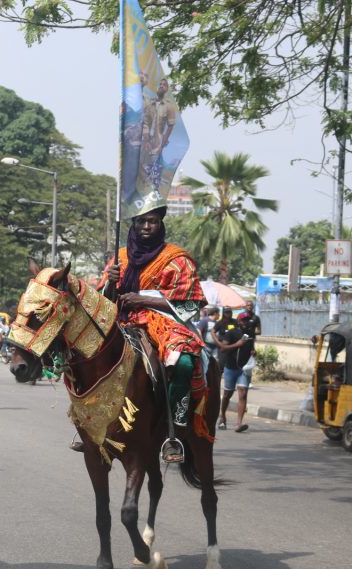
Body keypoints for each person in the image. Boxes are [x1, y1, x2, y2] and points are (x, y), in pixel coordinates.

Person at [100, 205, 209, 462]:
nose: (147, 227)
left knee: (182, 363)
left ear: (161, 224)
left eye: (152, 222)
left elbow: (191, 303)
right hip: (121, 321)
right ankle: (93, 425)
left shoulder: (177, 259)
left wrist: (143, 299)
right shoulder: (119, 258)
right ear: (133, 225)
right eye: (141, 222)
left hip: (161, 323)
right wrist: (110, 283)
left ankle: (177, 429)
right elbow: (102, 301)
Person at [138, 78, 178, 198]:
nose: (161, 86)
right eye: (159, 84)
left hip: (157, 143)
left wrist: (162, 143)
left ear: (166, 89)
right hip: (146, 142)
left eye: (164, 85)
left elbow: (170, 126)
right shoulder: (150, 103)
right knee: (141, 169)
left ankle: (153, 195)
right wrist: (146, 139)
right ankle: (142, 194)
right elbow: (145, 121)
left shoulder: (169, 106)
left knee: (154, 170)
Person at [216, 311, 256, 432]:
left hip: (244, 370)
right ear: (238, 321)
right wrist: (237, 344)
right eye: (244, 320)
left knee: (243, 393)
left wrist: (254, 352)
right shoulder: (231, 333)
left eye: (248, 320)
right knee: (227, 394)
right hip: (230, 368)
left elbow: (251, 348)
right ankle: (222, 416)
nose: (246, 322)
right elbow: (223, 349)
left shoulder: (250, 334)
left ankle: (239, 424)